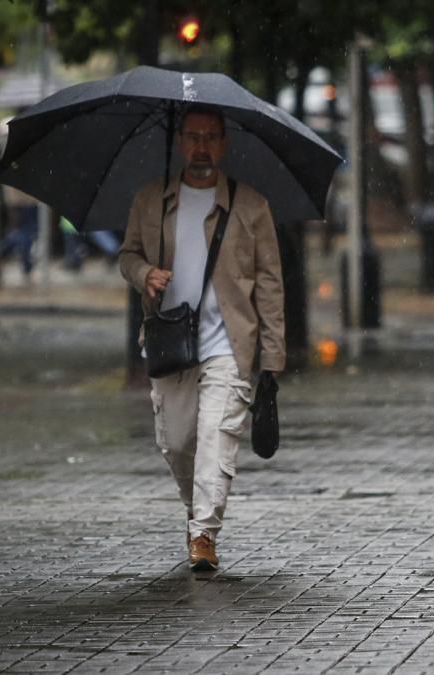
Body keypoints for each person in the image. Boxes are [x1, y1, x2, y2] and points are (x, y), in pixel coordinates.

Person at [119, 104, 286, 571]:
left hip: (228, 343)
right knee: (176, 443)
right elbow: (127, 255)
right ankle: (198, 513)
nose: (201, 146)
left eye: (210, 137)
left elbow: (270, 283)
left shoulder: (250, 206)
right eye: (192, 137)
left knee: (216, 434)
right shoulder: (151, 201)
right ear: (179, 142)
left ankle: (204, 534)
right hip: (171, 341)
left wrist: (272, 355)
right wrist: (144, 273)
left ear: (223, 143)